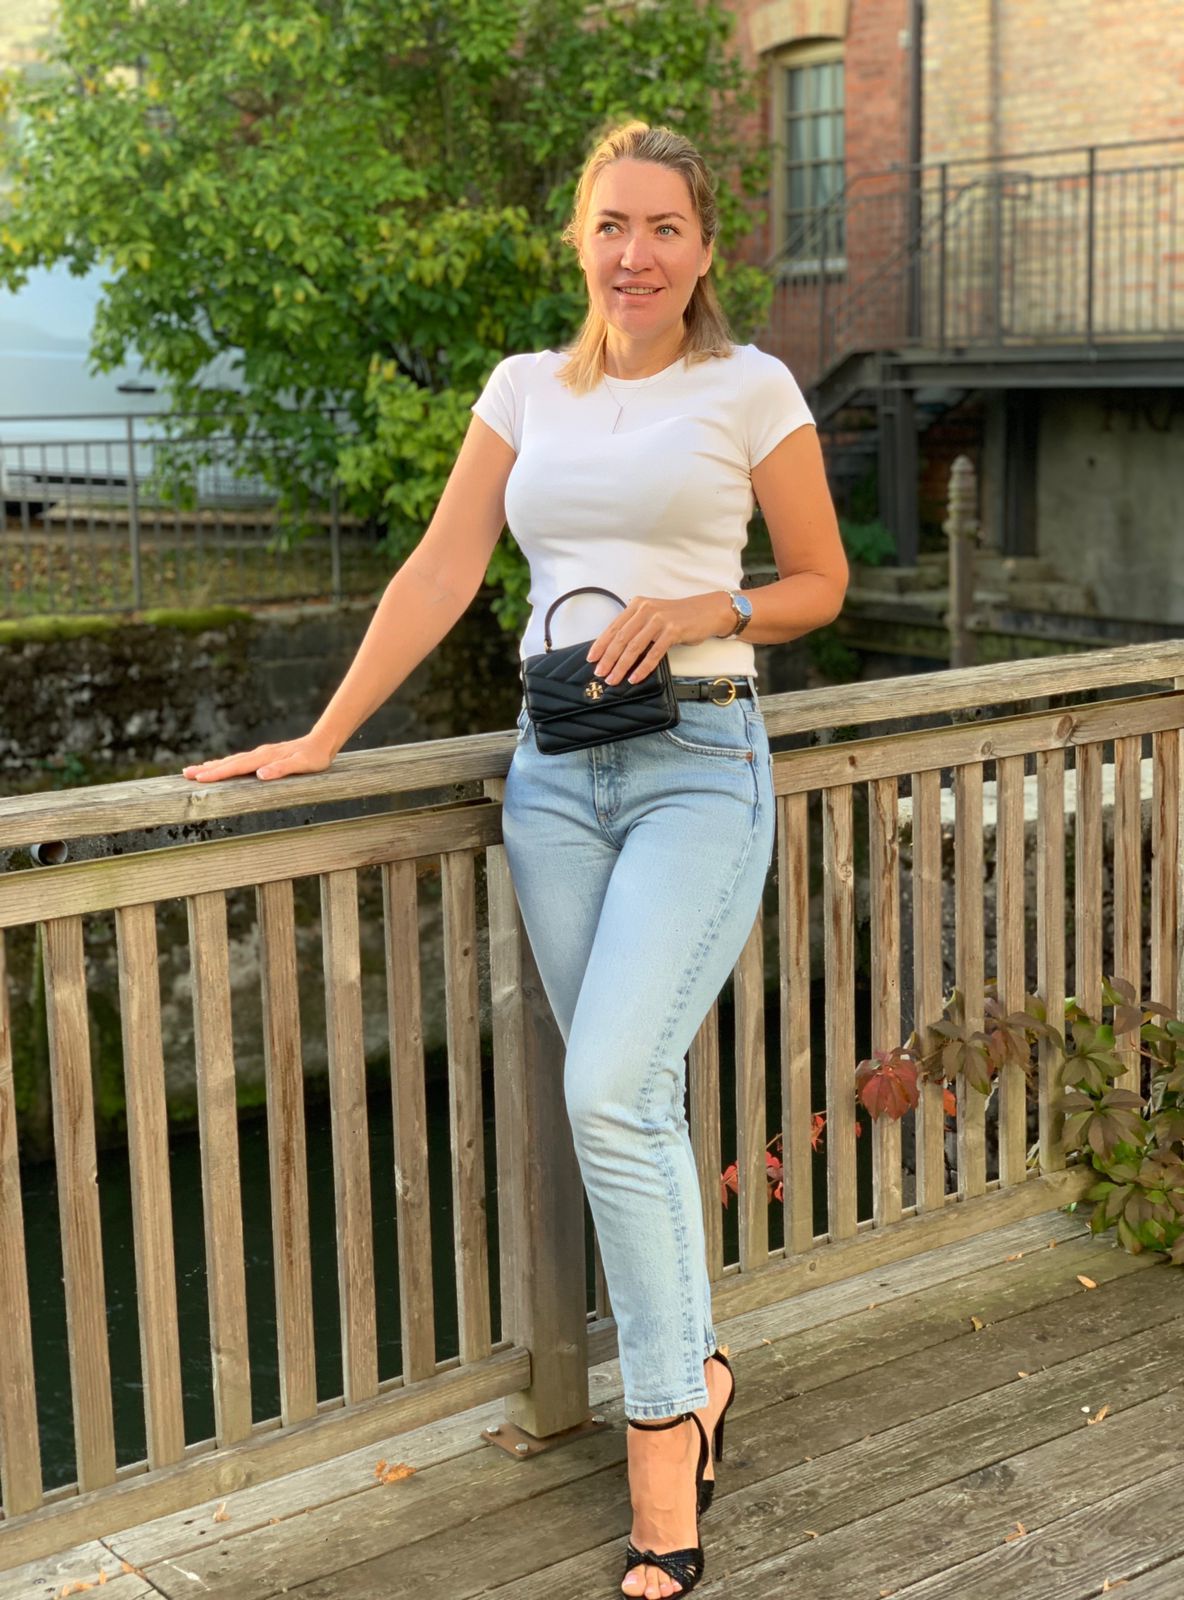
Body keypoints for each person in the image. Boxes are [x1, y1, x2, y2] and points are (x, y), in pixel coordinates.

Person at [183, 119, 847, 1600]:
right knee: (638, 1096)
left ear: (704, 248)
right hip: (552, 780)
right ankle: (701, 1369)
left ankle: (663, 1440)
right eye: (613, 224)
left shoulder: (750, 387)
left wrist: (703, 609)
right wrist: (326, 735)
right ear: (579, 239)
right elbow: (442, 564)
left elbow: (822, 581)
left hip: (699, 763)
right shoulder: (521, 390)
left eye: (664, 227)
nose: (636, 253)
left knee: (607, 1088)